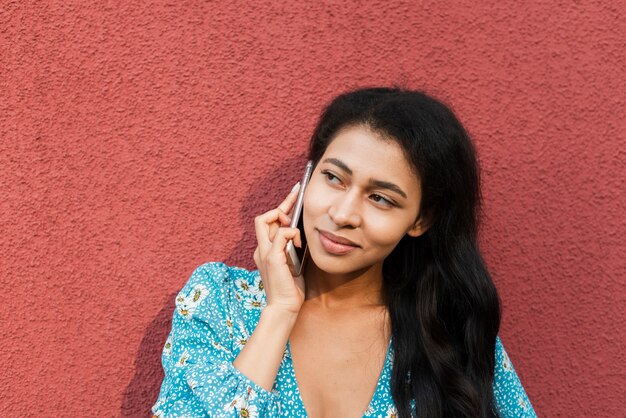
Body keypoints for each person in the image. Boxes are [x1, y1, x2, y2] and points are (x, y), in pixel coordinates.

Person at [151, 87, 536, 417]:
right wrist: (279, 311)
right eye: (333, 177)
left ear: (421, 220)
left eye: (381, 198)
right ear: (307, 177)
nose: (343, 213)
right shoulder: (220, 303)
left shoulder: (447, 332)